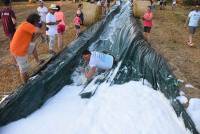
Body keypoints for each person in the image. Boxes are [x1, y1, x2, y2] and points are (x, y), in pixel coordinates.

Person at [10, 13, 44, 83]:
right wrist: (41, 28)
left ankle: (37, 61)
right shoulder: (27, 25)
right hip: (19, 50)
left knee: (33, 45)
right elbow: (39, 31)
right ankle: (25, 84)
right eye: (38, 21)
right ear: (34, 21)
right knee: (24, 70)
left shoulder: (27, 25)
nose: (39, 23)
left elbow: (32, 39)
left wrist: (38, 32)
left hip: (22, 46)